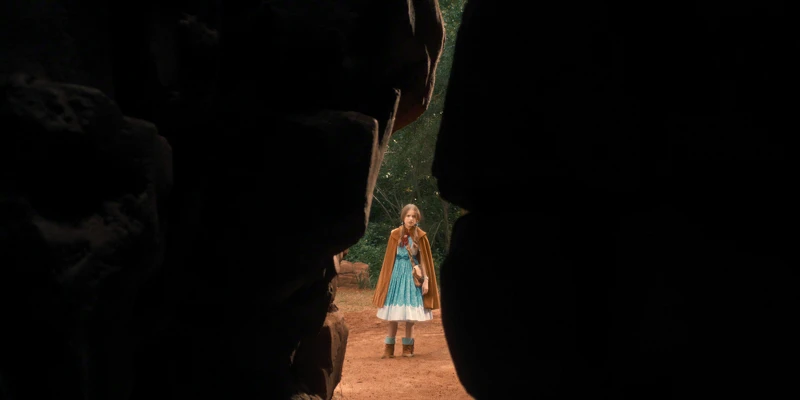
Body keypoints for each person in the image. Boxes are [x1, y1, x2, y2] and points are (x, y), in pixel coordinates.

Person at [372, 203, 441, 358]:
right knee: (393, 315)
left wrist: (426, 280)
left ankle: (407, 348)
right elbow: (389, 260)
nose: (410, 219)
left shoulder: (420, 236)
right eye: (408, 216)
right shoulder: (395, 234)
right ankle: (389, 348)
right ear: (403, 217)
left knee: (410, 316)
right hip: (396, 274)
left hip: (412, 275)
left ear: (417, 219)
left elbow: (424, 261)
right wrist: (386, 281)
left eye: (413, 216)